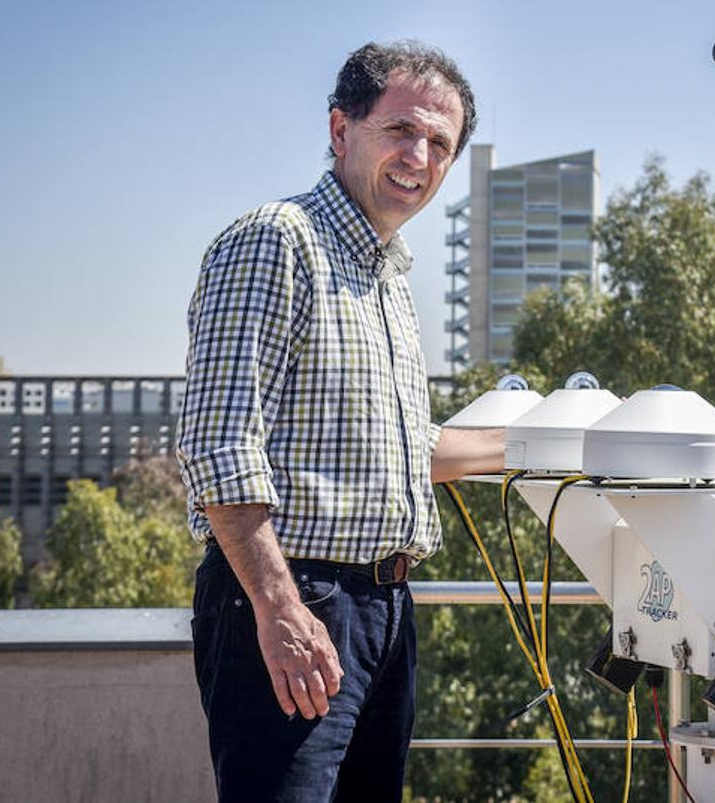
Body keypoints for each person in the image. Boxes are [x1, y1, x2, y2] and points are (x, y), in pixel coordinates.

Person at [176, 41, 505, 802]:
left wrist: (552, 443)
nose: (418, 155)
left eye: (439, 144)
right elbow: (219, 445)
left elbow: (403, 449)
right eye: (401, 130)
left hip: (386, 610)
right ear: (339, 130)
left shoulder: (388, 276)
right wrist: (280, 609)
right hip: (296, 601)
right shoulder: (277, 240)